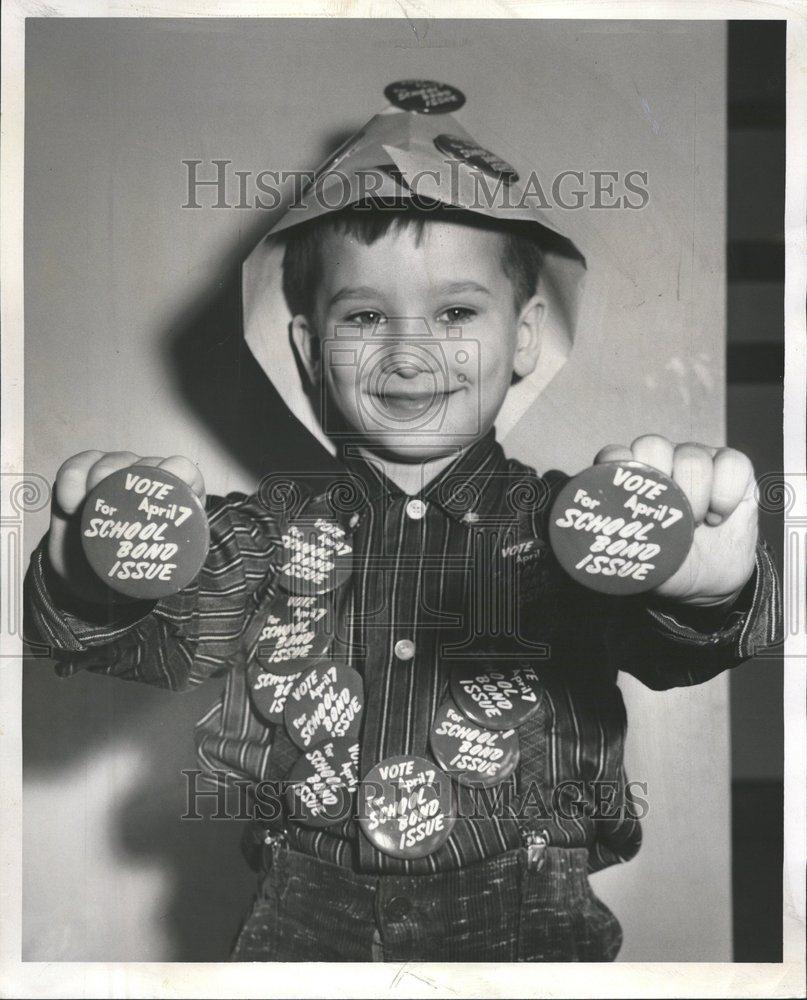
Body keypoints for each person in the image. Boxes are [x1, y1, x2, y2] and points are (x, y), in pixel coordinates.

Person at [24, 82, 781, 962]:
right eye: (365, 316)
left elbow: (675, 646)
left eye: (456, 311)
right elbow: (155, 635)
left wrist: (707, 586)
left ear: (525, 336)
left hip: (528, 901)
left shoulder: (569, 528)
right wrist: (89, 573)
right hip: (301, 904)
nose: (409, 350)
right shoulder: (254, 535)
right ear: (309, 348)